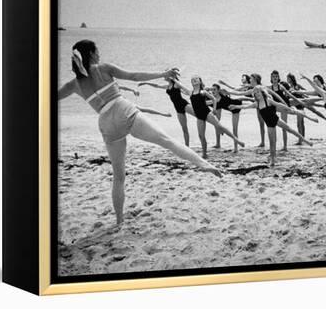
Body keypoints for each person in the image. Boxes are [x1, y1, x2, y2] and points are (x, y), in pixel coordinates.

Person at [58, 40, 221, 224]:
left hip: (105, 123)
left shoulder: (74, 84)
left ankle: (119, 221)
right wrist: (163, 74)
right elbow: (134, 76)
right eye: (98, 51)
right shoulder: (103, 68)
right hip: (123, 111)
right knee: (166, 140)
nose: (100, 54)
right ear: (92, 54)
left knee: (118, 177)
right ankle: (203, 164)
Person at [230, 86, 314, 167]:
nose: (257, 94)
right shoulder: (257, 104)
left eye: (258, 92)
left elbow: (278, 105)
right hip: (269, 125)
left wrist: (288, 109)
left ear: (262, 93)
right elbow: (245, 107)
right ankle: (273, 160)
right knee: (272, 142)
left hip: (276, 119)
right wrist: (235, 106)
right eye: (255, 93)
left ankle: (305, 140)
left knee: (290, 129)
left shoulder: (268, 100)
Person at [173, 76, 245, 158]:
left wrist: (214, 109)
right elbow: (181, 86)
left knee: (219, 126)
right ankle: (204, 154)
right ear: (191, 83)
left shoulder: (203, 92)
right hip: (199, 116)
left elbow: (214, 99)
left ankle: (237, 140)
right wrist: (173, 79)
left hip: (207, 113)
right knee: (201, 136)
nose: (194, 80)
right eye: (193, 80)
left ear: (200, 82)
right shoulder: (191, 92)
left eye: (196, 79)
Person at [137, 78, 193, 145]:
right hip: (178, 108)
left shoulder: (176, 84)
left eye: (166, 75)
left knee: (200, 114)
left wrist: (174, 79)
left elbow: (186, 90)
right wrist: (146, 83)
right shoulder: (167, 86)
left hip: (184, 104)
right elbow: (157, 85)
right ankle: (187, 147)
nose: (164, 76)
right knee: (184, 129)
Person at [210, 83, 252, 152]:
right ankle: (218, 144)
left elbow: (239, 97)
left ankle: (236, 148)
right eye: (212, 90)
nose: (213, 91)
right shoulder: (214, 100)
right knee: (216, 124)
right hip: (225, 106)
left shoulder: (223, 94)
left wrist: (251, 99)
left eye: (214, 90)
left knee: (234, 129)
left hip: (236, 107)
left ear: (218, 90)